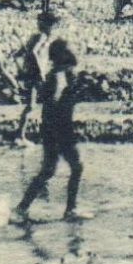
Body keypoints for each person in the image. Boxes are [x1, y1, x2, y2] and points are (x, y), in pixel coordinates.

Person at [14, 39, 86, 223]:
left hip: (51, 127)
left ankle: (22, 208)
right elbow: (54, 104)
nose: (75, 54)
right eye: (71, 51)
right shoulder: (59, 77)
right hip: (59, 128)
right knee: (76, 167)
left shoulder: (59, 74)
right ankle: (71, 210)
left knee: (48, 171)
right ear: (62, 56)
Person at [15, 11, 61, 143]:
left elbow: (19, 54)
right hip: (36, 75)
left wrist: (20, 68)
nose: (53, 29)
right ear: (48, 26)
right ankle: (21, 136)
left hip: (31, 73)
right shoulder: (41, 36)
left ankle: (38, 133)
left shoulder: (34, 36)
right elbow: (34, 52)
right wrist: (41, 72)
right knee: (33, 105)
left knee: (37, 104)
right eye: (52, 25)